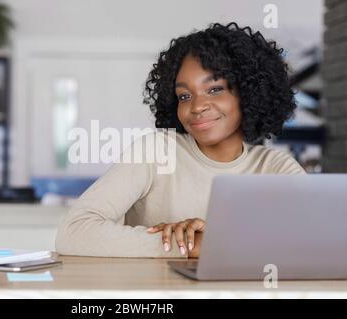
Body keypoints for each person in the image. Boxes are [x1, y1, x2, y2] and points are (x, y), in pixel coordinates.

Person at [55, 22, 305, 258]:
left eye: (215, 89)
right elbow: (74, 232)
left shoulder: (276, 168)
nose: (196, 106)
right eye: (184, 96)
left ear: (249, 94)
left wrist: (213, 242)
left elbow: (314, 239)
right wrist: (189, 245)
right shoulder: (155, 151)